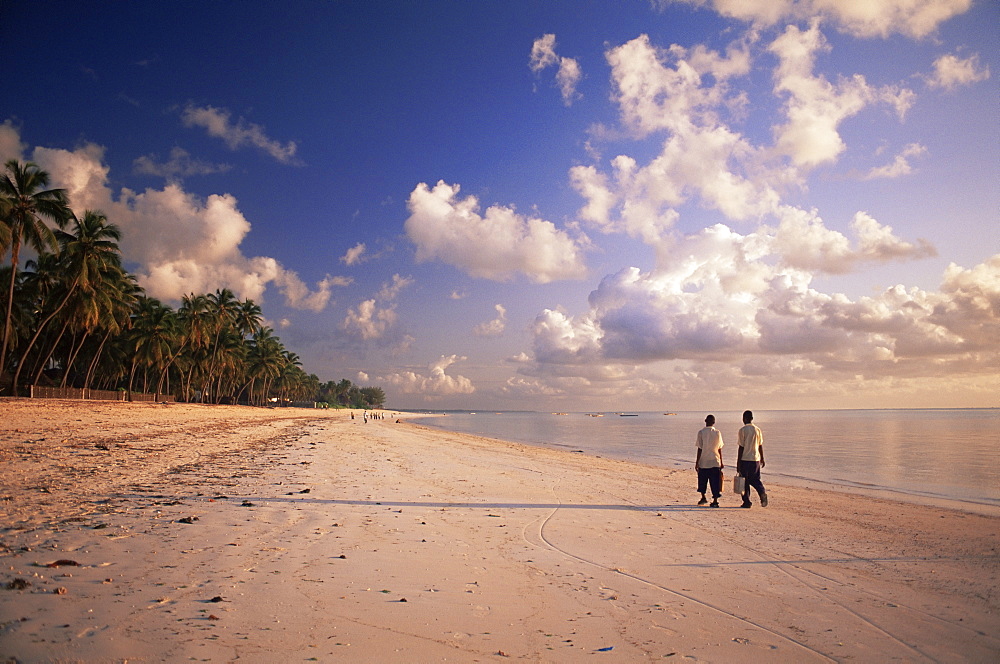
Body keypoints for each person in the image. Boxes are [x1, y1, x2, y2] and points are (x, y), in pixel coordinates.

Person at [737, 410, 767, 508]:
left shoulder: (743, 430)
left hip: (745, 459)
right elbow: (760, 445)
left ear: (744, 419)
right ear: (752, 419)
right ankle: (761, 491)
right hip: (756, 459)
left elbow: (741, 447)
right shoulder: (757, 430)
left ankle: (747, 501)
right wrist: (762, 458)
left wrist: (738, 462)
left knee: (744, 480)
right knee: (755, 479)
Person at [695, 414, 724, 507]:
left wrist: (697, 462)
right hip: (715, 460)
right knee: (715, 482)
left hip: (704, 461)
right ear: (714, 422)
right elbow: (719, 448)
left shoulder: (701, 432)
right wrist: (721, 461)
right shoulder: (717, 433)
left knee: (702, 481)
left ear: (705, 421)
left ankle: (703, 497)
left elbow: (700, 448)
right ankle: (715, 500)